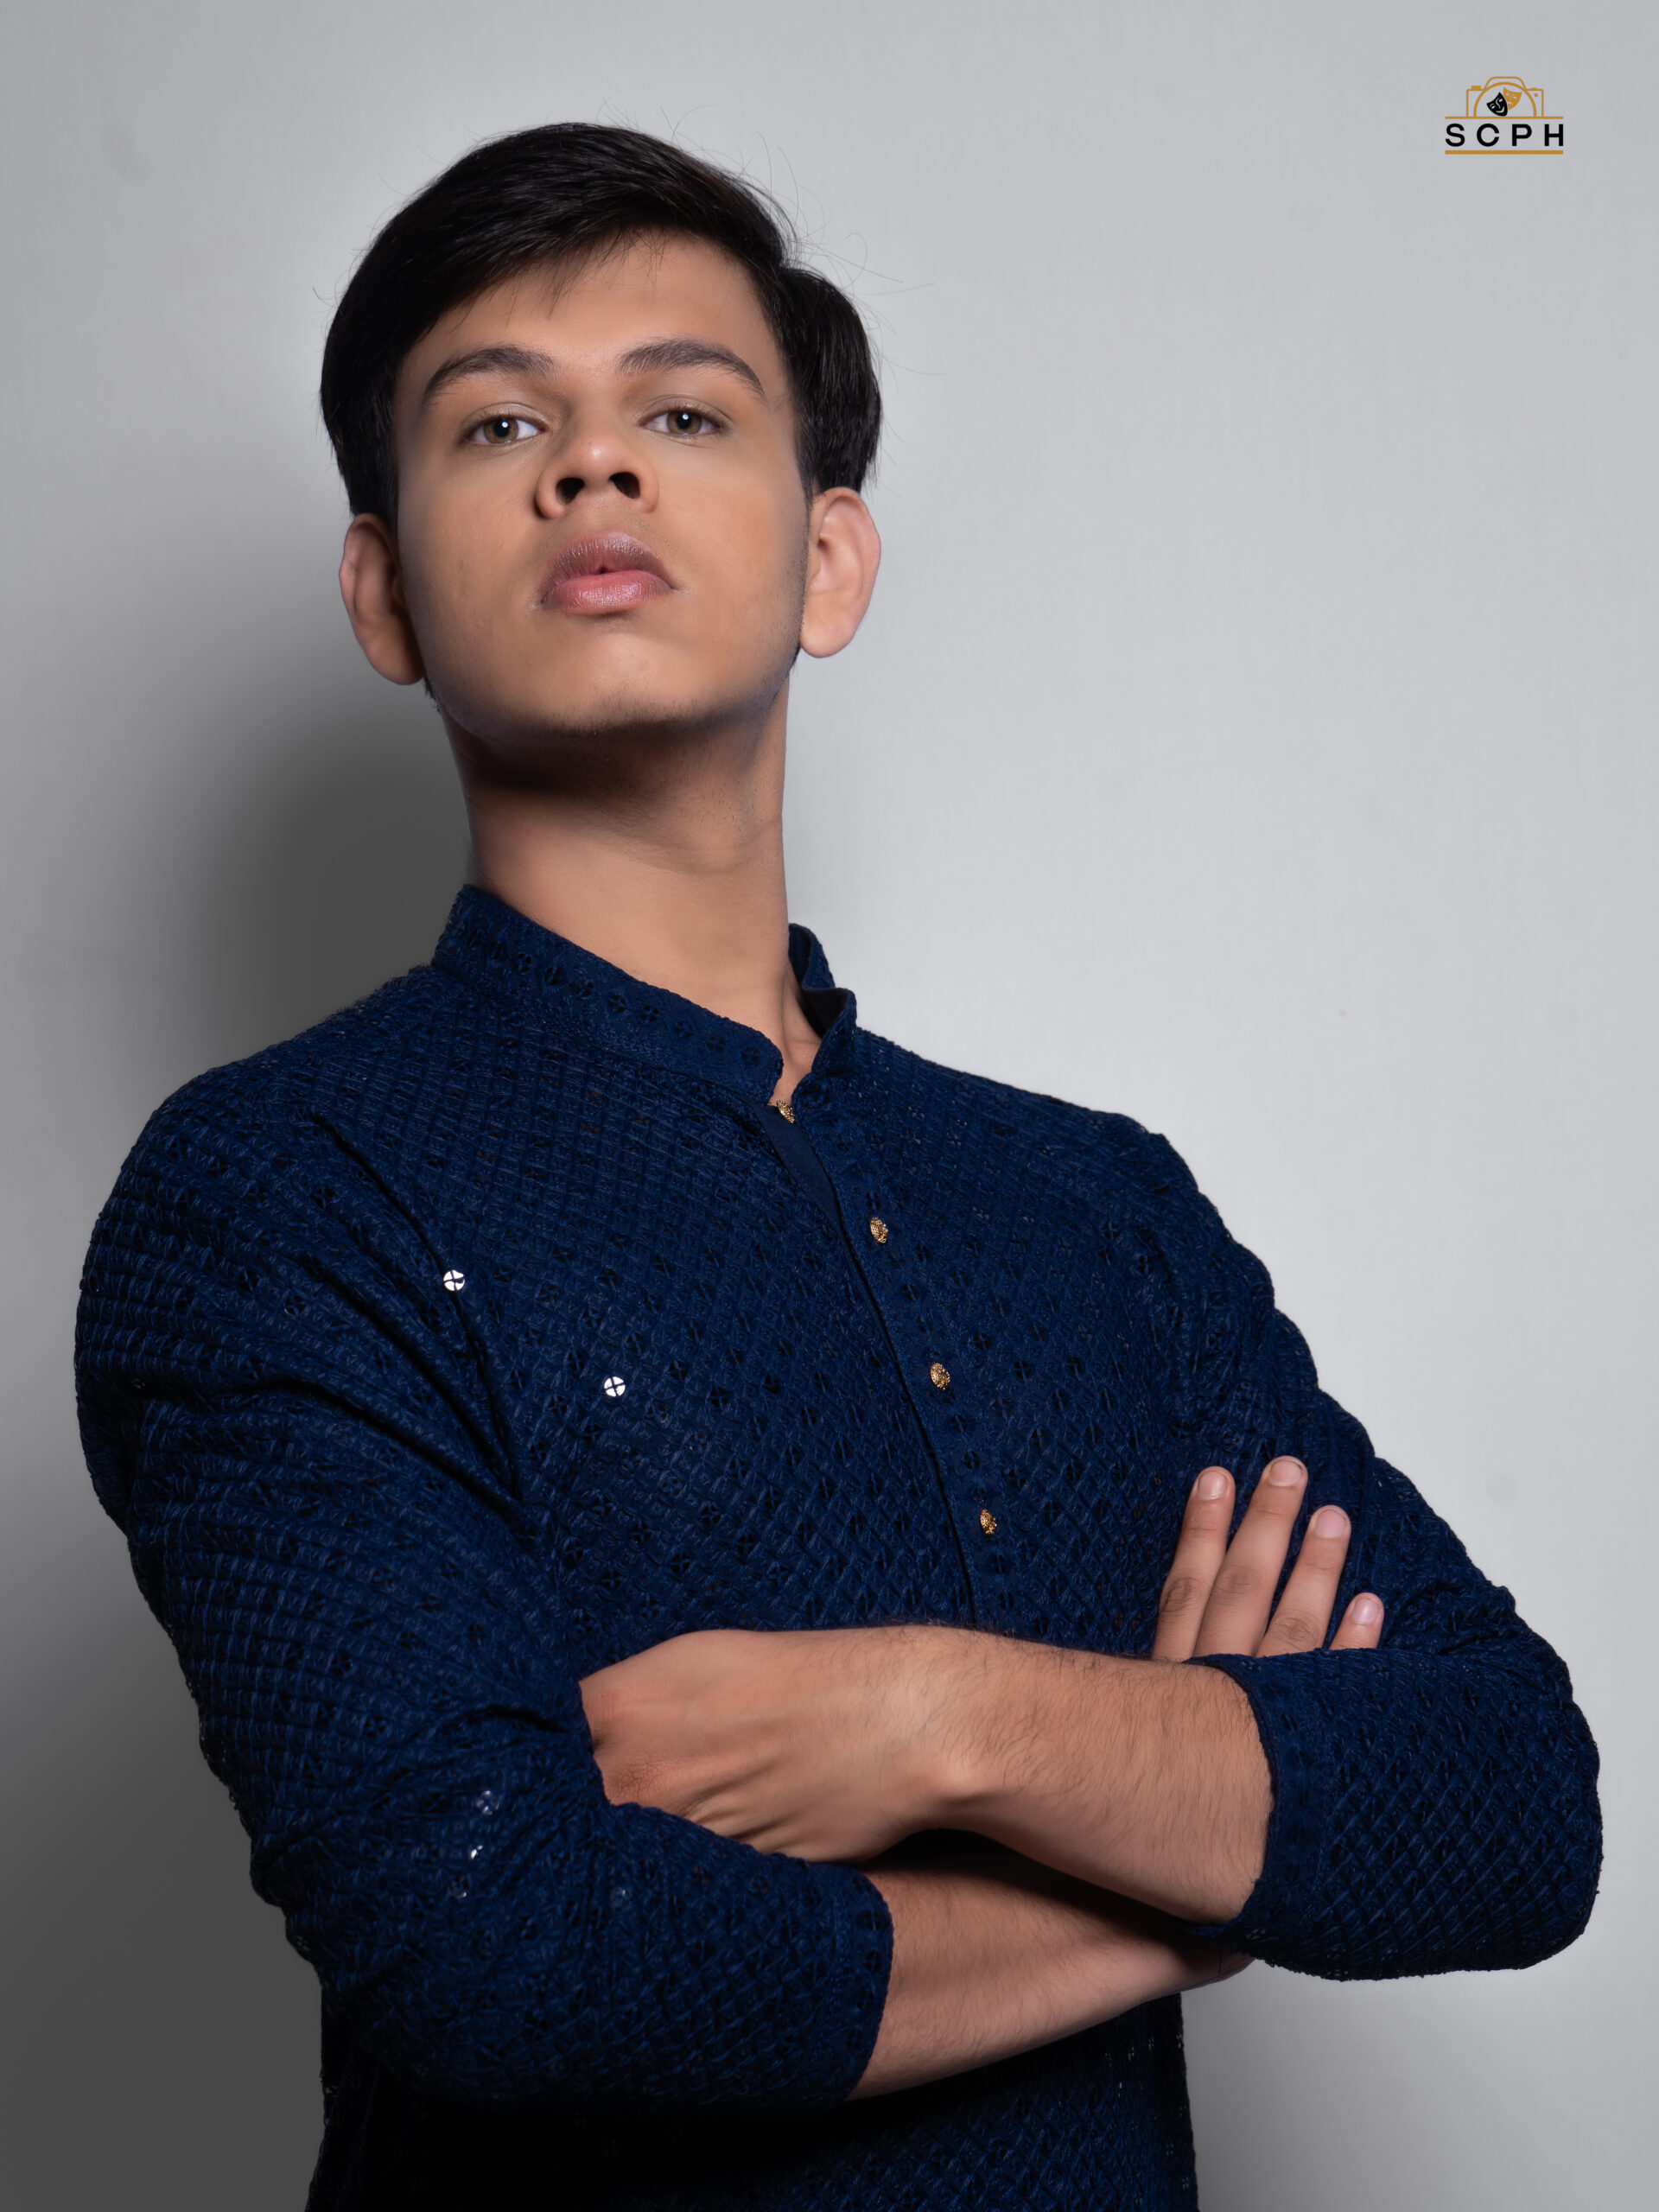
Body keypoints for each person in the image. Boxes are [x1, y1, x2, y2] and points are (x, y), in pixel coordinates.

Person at [74, 124, 1600, 2210]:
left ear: (831, 559)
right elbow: (508, 1953)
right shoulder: (276, 1195)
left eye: (684, 412)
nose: (592, 467)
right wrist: (1199, 1862)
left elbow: (1515, 1801)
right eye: (501, 421)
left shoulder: (1100, 1208)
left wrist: (943, 1716)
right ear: (384, 591)